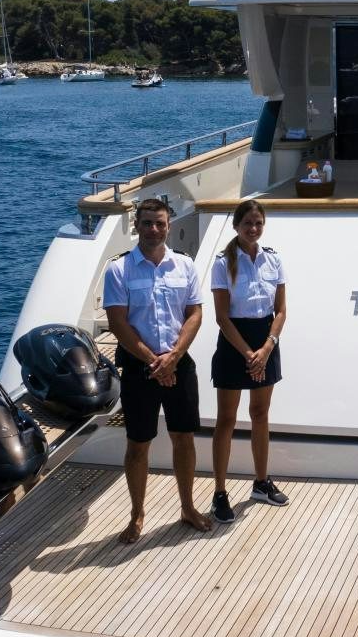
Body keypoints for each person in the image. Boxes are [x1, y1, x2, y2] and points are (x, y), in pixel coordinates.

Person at [104, 197, 210, 544]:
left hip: (178, 363)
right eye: (147, 223)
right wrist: (155, 361)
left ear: (169, 225)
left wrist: (174, 357)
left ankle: (187, 507)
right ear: (137, 225)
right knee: (138, 444)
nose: (153, 229)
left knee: (184, 438)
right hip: (139, 368)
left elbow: (195, 314)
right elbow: (118, 324)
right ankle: (137, 515)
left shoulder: (185, 266)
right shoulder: (118, 270)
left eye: (159, 223)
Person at [208, 198, 288, 524]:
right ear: (236, 226)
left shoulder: (274, 260)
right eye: (247, 224)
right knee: (226, 419)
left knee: (260, 413)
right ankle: (219, 493)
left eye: (258, 223)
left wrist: (267, 347)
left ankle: (261, 482)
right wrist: (248, 353)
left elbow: (281, 311)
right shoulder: (222, 263)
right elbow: (222, 317)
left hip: (265, 339)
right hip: (234, 342)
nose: (253, 229)